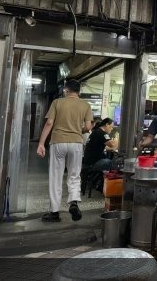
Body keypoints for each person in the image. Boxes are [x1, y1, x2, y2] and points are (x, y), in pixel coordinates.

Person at [37, 79, 93, 222]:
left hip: (58, 142)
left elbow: (49, 123)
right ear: (78, 91)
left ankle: (54, 212)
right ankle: (73, 202)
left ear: (66, 90)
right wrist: (78, 130)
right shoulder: (86, 105)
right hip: (76, 143)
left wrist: (41, 143)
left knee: (56, 176)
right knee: (74, 175)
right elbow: (88, 127)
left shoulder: (57, 102)